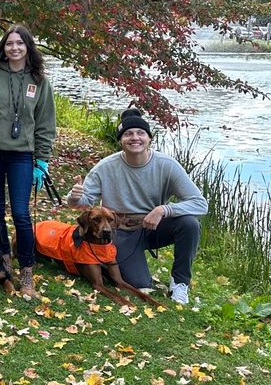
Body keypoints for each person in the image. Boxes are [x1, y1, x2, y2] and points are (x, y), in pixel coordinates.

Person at [67, 107, 207, 305]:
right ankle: (110, 261)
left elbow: (200, 204)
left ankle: (180, 283)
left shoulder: (167, 165)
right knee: (141, 285)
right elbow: (82, 202)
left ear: (149, 138)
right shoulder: (106, 167)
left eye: (141, 133)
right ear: (121, 140)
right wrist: (74, 197)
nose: (135, 138)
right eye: (128, 134)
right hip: (119, 231)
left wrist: (164, 209)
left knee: (189, 224)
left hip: (153, 227)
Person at [0, 24, 56, 299]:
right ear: (3, 48)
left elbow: (45, 123)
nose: (14, 48)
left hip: (21, 155)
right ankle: (4, 263)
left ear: (28, 47)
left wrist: (42, 159)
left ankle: (27, 272)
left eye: (19, 43)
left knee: (21, 212)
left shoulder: (39, 81)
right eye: (9, 44)